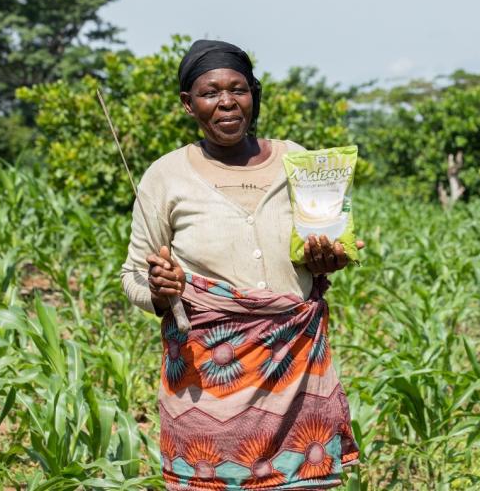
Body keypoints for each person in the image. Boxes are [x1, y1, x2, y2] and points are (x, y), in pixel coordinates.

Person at [121, 40, 360, 490]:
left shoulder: (297, 161)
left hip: (295, 370)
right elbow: (133, 274)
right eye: (210, 93)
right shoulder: (165, 176)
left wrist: (329, 258)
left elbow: (324, 241)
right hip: (208, 384)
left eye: (238, 89)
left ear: (254, 94)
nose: (226, 102)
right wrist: (158, 289)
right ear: (188, 105)